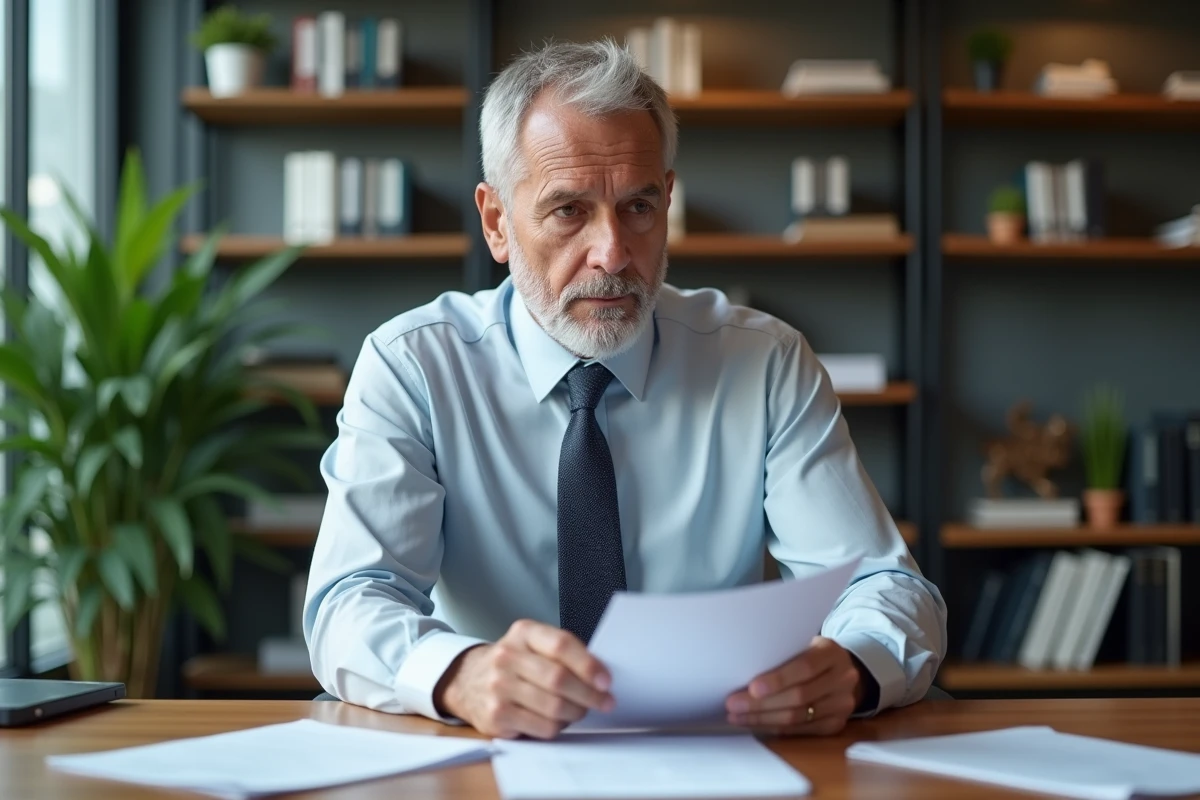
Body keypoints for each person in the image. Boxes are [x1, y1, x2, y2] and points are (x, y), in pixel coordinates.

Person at [304, 39, 946, 740]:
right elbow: (349, 601)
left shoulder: (765, 363)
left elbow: (889, 588)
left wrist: (852, 666)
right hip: (487, 757)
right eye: (569, 211)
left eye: (637, 207)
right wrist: (462, 675)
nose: (612, 253)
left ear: (667, 200)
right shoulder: (413, 367)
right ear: (496, 223)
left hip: (710, 756)